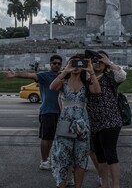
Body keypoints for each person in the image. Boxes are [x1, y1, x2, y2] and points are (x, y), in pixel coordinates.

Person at [4, 54, 63, 170]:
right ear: (50, 64)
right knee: (46, 137)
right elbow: (30, 75)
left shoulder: (63, 76)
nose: (56, 65)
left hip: (61, 112)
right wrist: (16, 74)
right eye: (54, 63)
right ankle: (44, 161)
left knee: (52, 138)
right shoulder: (45, 76)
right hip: (48, 111)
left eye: (59, 63)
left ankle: (48, 158)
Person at [50, 55, 101, 188]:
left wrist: (91, 71)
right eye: (73, 63)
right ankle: (62, 185)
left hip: (82, 125)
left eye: (80, 64)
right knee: (63, 158)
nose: (76, 67)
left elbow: (97, 90)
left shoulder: (87, 82)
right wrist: (66, 71)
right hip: (65, 124)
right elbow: (52, 87)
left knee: (80, 159)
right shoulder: (63, 82)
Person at [86, 50, 126, 188]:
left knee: (110, 153)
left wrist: (109, 62)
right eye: (94, 60)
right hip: (94, 122)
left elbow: (122, 75)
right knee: (100, 155)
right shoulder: (87, 78)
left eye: (100, 61)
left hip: (111, 120)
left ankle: (116, 185)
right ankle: (105, 184)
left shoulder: (110, 76)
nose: (97, 63)